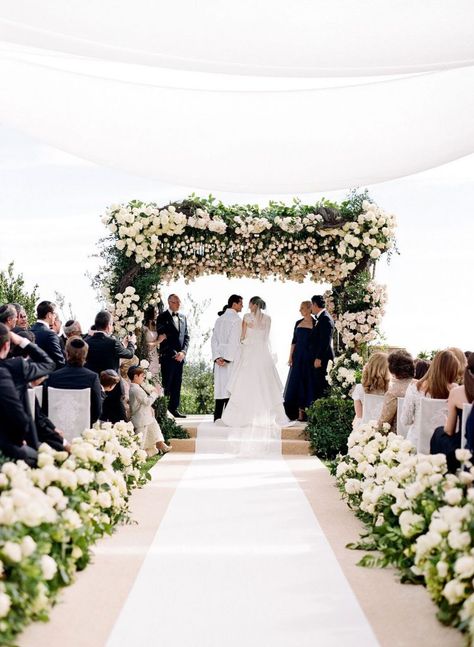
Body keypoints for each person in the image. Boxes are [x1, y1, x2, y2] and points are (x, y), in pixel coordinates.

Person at [220, 297, 288, 455]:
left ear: (253, 305)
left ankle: (243, 418)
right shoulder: (268, 319)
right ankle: (273, 416)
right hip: (263, 355)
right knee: (265, 385)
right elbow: (266, 339)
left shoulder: (246, 317)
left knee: (246, 385)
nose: (247, 306)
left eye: (249, 303)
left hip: (250, 354)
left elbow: (242, 337)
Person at [85, 310, 136, 423]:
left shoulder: (86, 342)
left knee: (98, 422)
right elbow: (129, 354)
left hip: (94, 388)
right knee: (120, 422)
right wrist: (131, 343)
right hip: (113, 388)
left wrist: (122, 344)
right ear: (108, 326)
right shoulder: (113, 342)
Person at [402, 350, 459, 449]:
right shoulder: (456, 391)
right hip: (444, 447)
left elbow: (405, 420)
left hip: (416, 444)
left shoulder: (415, 387)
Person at [0, 323, 39, 465]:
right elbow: (20, 420)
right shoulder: (7, 373)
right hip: (5, 443)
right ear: (6, 346)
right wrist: (18, 440)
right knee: (38, 458)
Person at [431, 352, 474, 470]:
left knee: (438, 432)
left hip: (463, 448)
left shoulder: (457, 392)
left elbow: (449, 431)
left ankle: (438, 473)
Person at [46, 337, 102, 426]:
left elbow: (46, 406)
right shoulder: (92, 377)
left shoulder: (53, 377)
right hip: (83, 430)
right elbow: (97, 410)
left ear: (66, 354)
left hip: (56, 430)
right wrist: (85, 423)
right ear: (85, 355)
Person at [156, 294, 190, 418]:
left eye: (179, 302)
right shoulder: (162, 317)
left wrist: (183, 352)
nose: (178, 304)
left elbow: (186, 337)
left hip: (181, 357)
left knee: (177, 383)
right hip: (168, 356)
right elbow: (161, 337)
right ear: (170, 302)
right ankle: (164, 410)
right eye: (176, 302)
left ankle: (174, 408)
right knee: (167, 383)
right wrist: (174, 353)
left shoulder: (183, 317)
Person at [211, 294, 243, 421]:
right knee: (230, 387)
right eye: (240, 303)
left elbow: (214, 340)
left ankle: (217, 416)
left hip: (219, 357)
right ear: (234, 304)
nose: (242, 306)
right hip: (230, 359)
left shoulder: (219, 319)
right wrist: (227, 358)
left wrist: (217, 357)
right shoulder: (236, 320)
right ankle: (228, 418)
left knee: (220, 388)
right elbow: (234, 341)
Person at [283, 300, 316, 421]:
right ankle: (297, 413)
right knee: (296, 383)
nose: (300, 310)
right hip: (298, 357)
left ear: (309, 308)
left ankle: (307, 412)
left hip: (309, 357)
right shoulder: (298, 322)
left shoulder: (315, 323)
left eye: (302, 308)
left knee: (306, 383)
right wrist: (290, 356)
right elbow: (294, 341)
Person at [128, 366, 171, 456]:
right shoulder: (135, 389)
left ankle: (162, 445)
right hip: (141, 418)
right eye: (142, 376)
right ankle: (137, 455)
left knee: (155, 430)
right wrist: (155, 393)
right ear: (135, 376)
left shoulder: (137, 387)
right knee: (140, 440)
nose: (143, 378)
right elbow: (147, 401)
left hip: (146, 416)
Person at [378, 350, 415, 433]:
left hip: (397, 439)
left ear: (392, 369)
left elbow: (385, 421)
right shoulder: (421, 386)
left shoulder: (392, 392)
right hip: (416, 436)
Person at [352, 352, 390, 429]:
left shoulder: (359, 389)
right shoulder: (390, 391)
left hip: (364, 431)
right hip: (384, 431)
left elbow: (360, 417)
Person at [310, 295, 335, 400]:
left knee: (321, 386)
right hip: (320, 357)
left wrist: (319, 358)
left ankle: (321, 412)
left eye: (311, 304)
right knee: (318, 385)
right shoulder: (322, 317)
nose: (311, 307)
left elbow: (325, 341)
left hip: (323, 358)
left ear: (315, 305)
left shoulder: (325, 318)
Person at [30, 301, 65, 369]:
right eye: (54, 314)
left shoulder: (28, 331)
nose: (55, 317)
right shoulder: (50, 334)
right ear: (49, 315)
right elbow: (59, 361)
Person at [142, 305, 166, 378]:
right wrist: (159, 340)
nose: (157, 313)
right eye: (155, 312)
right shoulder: (144, 328)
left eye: (157, 312)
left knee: (155, 376)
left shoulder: (156, 325)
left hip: (155, 354)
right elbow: (146, 345)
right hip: (147, 354)